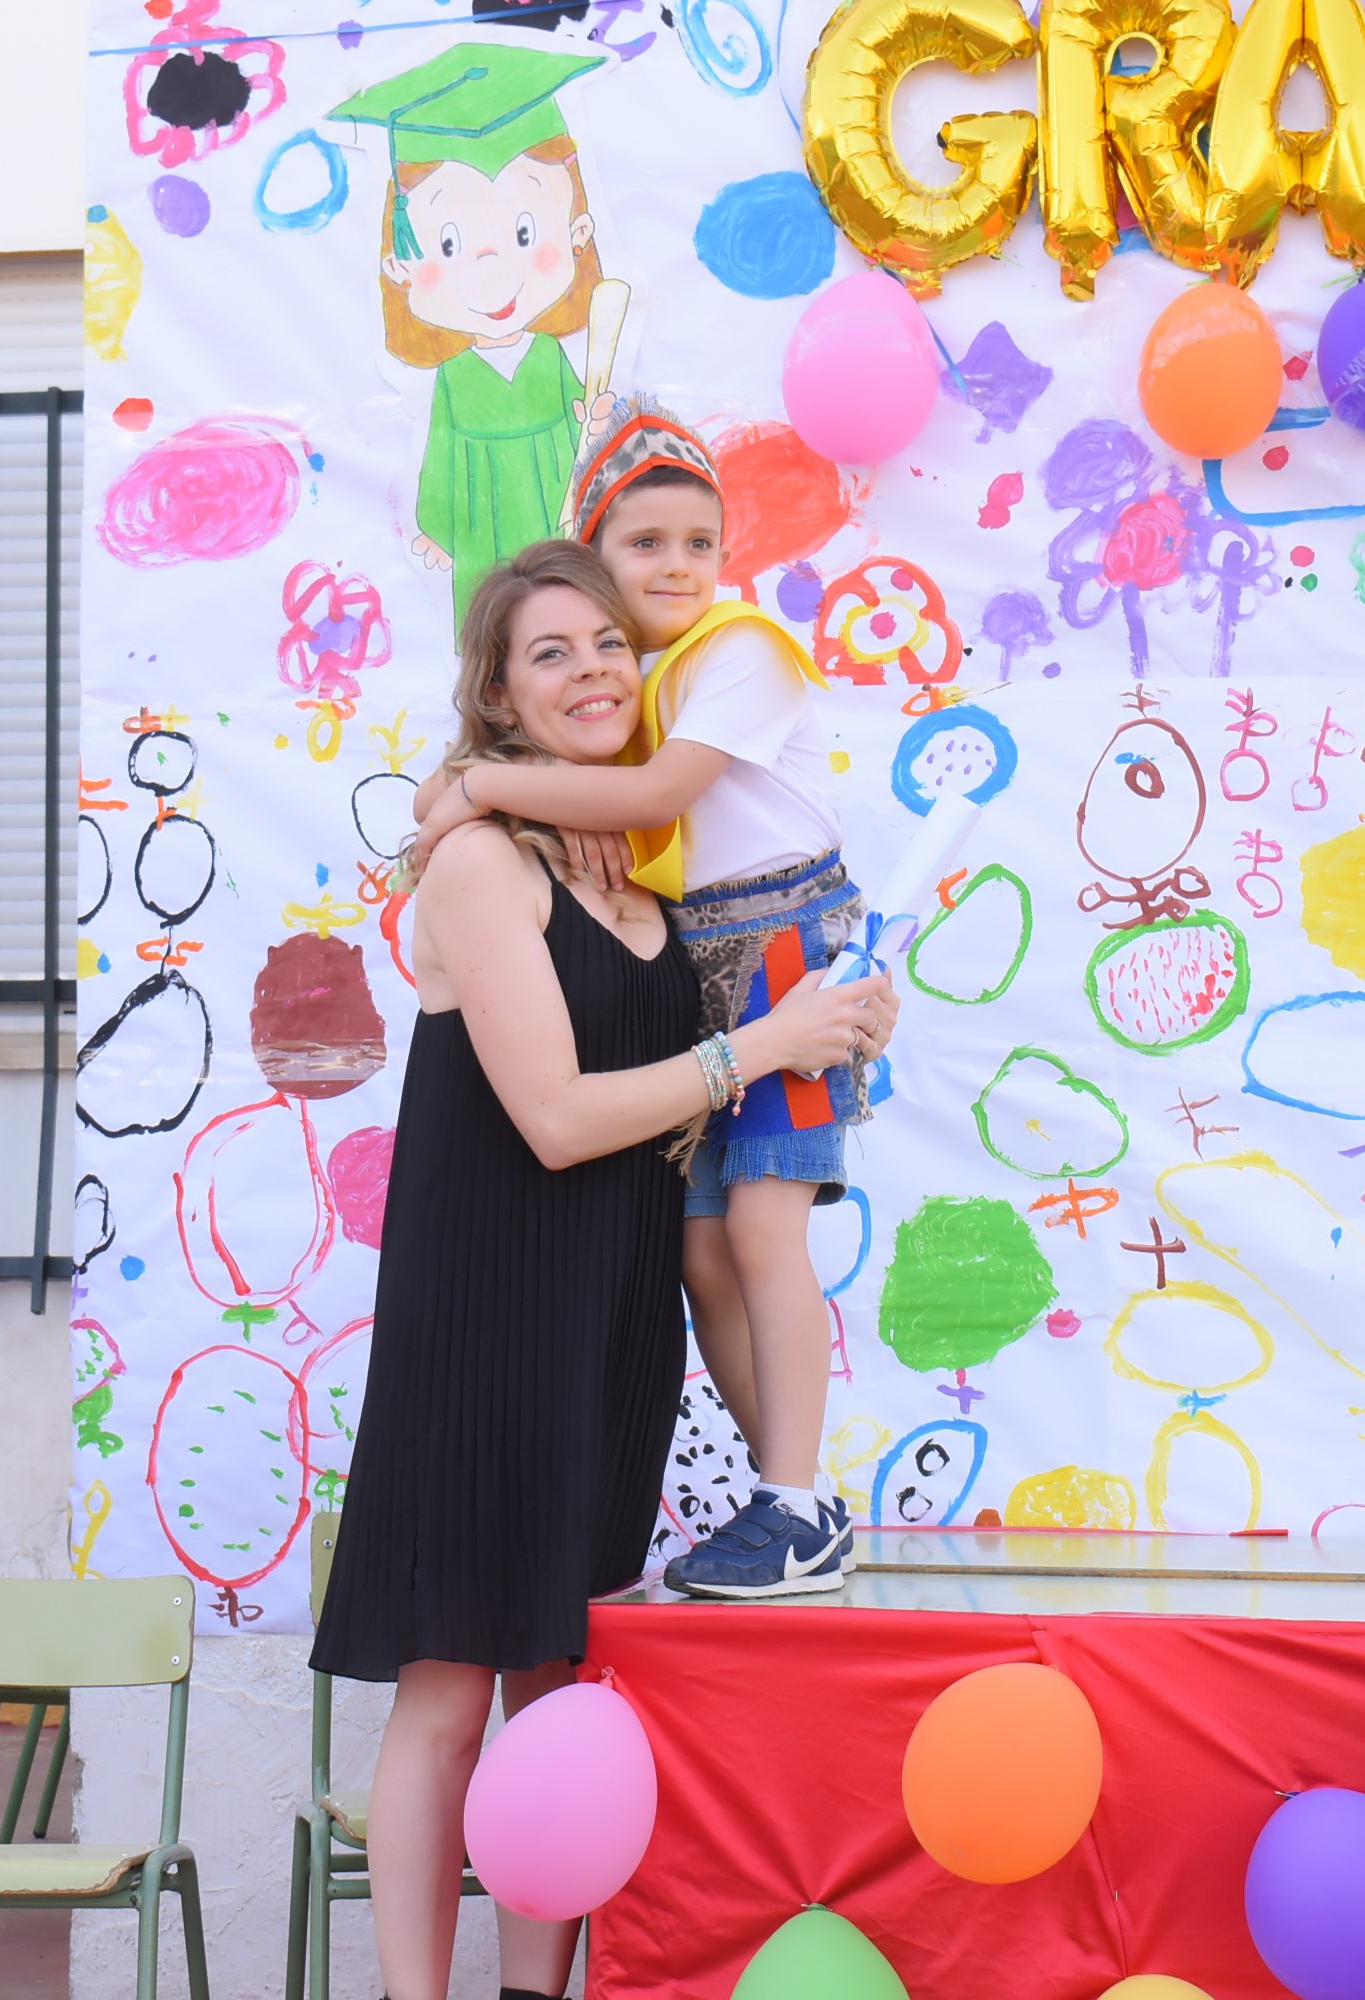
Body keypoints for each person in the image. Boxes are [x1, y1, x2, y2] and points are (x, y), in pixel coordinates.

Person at [310, 542, 893, 2000]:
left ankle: (532, 1992)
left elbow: (738, 1054)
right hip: (483, 1321)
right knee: (448, 1692)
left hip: (611, 1321)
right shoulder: (475, 862)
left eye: (608, 646)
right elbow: (562, 1120)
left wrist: (834, 1016)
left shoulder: (652, 867)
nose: (591, 672)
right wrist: (758, 1046)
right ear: (497, 698)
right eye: (549, 653)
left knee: (558, 1694)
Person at [411, 400, 868, 1600]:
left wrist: (483, 789)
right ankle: (797, 1495)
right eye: (644, 543)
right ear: (597, 564)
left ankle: (794, 1499)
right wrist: (472, 790)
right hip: (715, 963)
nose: (675, 566)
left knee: (763, 1234)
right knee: (704, 1254)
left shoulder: (739, 651)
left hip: (782, 944)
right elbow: (442, 801)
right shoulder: (632, 680)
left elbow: (659, 789)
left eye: (697, 542)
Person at [329, 41, 620, 627]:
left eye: (523, 232)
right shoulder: (455, 379)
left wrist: (592, 426)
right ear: (399, 269)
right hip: (482, 533)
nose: (490, 275)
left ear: (578, 233)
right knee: (500, 633)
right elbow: (441, 458)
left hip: (558, 523)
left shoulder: (548, 356)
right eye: (450, 245)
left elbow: (577, 430)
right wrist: (440, 529)